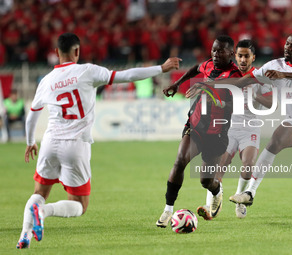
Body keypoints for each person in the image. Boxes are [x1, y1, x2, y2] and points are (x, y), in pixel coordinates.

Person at [16, 32, 181, 249]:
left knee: (39, 193)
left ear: (57, 53)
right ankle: (43, 213)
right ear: (77, 51)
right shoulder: (88, 71)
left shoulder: (46, 80)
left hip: (49, 143)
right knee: (80, 205)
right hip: (76, 145)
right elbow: (127, 75)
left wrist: (30, 142)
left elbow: (32, 116)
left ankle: (24, 236)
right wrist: (161, 68)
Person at [187, 30, 292, 224]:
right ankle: (248, 193)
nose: (288, 47)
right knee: (274, 143)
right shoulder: (273, 66)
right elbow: (242, 81)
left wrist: (282, 75)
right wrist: (211, 85)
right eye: (287, 43)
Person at [156, 35, 242, 228]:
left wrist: (218, 99)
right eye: (213, 50)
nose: (216, 54)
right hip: (195, 125)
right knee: (180, 160)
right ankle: (168, 210)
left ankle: (216, 191)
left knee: (206, 181)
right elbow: (196, 68)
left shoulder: (236, 76)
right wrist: (178, 83)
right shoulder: (209, 65)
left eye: (220, 51)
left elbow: (238, 104)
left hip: (218, 132)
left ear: (231, 53)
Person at [196, 40, 273, 220]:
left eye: (247, 56)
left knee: (248, 162)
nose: (243, 59)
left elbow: (272, 104)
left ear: (253, 57)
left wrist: (257, 96)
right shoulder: (229, 74)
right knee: (218, 167)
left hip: (250, 126)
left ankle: (240, 199)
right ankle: (211, 204)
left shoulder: (260, 77)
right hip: (229, 126)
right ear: (235, 56)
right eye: (240, 55)